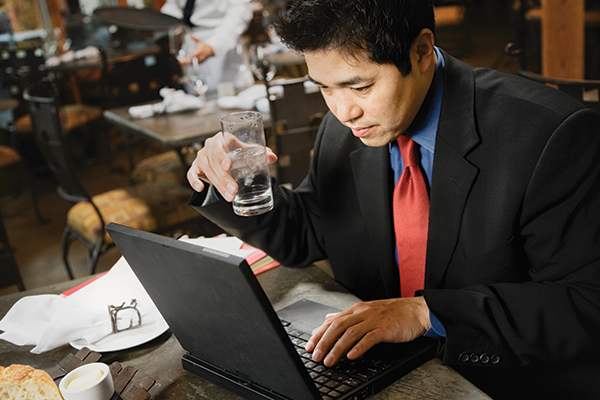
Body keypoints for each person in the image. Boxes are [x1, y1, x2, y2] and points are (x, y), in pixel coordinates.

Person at [186, 0, 600, 398]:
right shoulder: (345, 125)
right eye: (324, 88)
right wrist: (229, 182)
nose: (343, 111)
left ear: (421, 51)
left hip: (500, 380)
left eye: (360, 85)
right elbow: (306, 233)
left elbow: (586, 303)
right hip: (380, 371)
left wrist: (424, 313)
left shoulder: (551, 136)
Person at [160, 0, 253, 90]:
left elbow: (240, 10)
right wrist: (156, 26)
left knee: (233, 97)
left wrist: (212, 47)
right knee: (199, 94)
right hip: (191, 40)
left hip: (222, 39)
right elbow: (174, 6)